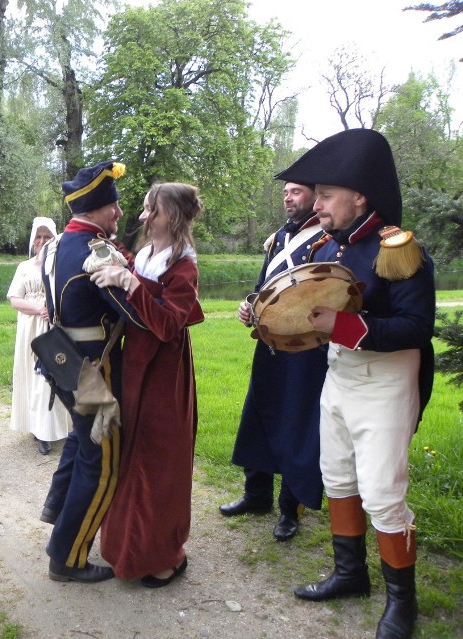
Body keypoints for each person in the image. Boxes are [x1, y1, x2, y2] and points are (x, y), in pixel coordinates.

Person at [276, 128, 435, 639]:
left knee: (383, 493)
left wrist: (342, 327)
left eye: (325, 195)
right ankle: (350, 575)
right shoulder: (333, 246)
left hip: (386, 383)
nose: (317, 205)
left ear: (359, 196)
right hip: (340, 377)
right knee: (339, 478)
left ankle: (401, 604)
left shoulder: (398, 249)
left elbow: (415, 328)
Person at [92, 183, 205, 588]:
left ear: (171, 217)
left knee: (158, 461)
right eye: (143, 209)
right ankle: (128, 549)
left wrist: (131, 284)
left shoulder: (184, 266)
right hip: (135, 366)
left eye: (150, 211)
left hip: (164, 373)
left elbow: (168, 324)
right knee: (130, 454)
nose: (142, 217)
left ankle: (166, 554)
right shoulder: (144, 254)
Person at [38, 161, 145, 583]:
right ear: (97, 208)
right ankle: (68, 557)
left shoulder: (58, 245)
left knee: (81, 446)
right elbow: (135, 316)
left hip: (62, 360)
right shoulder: (96, 252)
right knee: (100, 459)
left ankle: (56, 510)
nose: (119, 214)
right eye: (113, 206)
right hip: (91, 371)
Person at [219, 181, 327, 541]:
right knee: (260, 414)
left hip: (305, 348)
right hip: (269, 345)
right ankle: (257, 494)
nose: (288, 197)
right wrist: (249, 305)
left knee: (296, 423)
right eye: (286, 193)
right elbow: (264, 286)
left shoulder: (327, 239)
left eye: (296, 192)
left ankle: (289, 509)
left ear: (314, 195)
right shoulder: (279, 237)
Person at [7, 217, 71, 455]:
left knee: (52, 378)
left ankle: (53, 428)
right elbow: (14, 299)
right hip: (30, 328)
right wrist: (38, 309)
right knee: (34, 378)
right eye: (39, 237)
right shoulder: (24, 267)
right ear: (33, 240)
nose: (42, 241)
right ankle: (39, 429)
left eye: (47, 237)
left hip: (54, 327)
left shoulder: (59, 266)